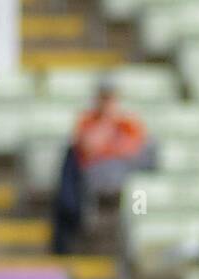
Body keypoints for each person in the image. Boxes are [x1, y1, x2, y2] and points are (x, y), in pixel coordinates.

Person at [51, 80, 157, 254]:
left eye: (111, 99)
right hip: (95, 176)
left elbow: (134, 150)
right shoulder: (88, 120)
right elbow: (89, 147)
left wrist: (111, 145)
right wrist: (107, 124)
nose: (108, 103)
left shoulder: (127, 123)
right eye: (104, 99)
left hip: (123, 174)